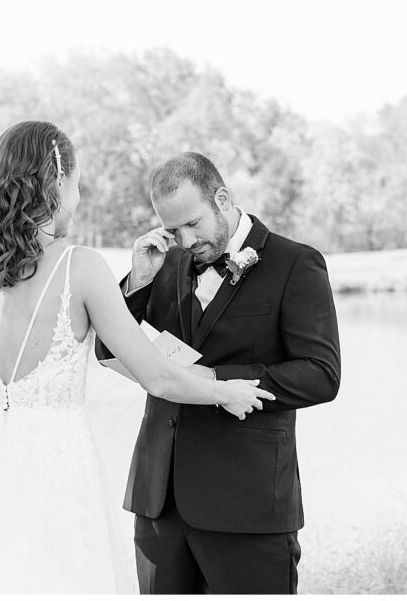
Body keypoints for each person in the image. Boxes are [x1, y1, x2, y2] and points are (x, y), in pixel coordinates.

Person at [0, 122, 274, 593]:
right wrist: (224, 391)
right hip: (60, 473)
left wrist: (1, 442)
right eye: (76, 184)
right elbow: (156, 377)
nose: (78, 197)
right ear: (55, 184)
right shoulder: (80, 267)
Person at [95, 151, 341, 594]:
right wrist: (137, 283)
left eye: (193, 224)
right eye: (173, 230)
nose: (185, 240)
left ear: (222, 198)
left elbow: (322, 374)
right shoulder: (164, 264)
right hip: (160, 503)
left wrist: (217, 381)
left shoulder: (295, 264)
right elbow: (110, 348)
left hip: (246, 504)